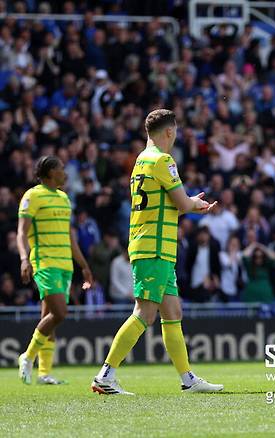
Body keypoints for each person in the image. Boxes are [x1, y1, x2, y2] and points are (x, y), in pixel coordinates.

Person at [91, 109, 223, 395]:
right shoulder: (164, 160)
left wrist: (188, 202)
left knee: (173, 311)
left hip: (154, 245)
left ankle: (187, 379)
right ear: (170, 131)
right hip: (154, 246)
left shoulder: (140, 160)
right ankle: (105, 375)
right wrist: (196, 204)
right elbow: (182, 204)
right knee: (145, 314)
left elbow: (172, 201)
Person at [17, 156, 94, 385]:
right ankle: (27, 356)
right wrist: (24, 258)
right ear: (50, 172)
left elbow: (70, 237)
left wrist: (84, 265)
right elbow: (21, 232)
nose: (65, 172)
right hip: (45, 263)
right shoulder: (33, 196)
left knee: (49, 317)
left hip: (65, 266)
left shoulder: (64, 198)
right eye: (61, 168)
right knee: (60, 313)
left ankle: (44, 373)